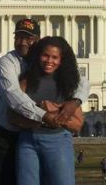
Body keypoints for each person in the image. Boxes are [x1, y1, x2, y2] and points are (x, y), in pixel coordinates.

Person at [0, 19, 89, 185]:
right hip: (6, 135)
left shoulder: (44, 63)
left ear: (38, 40)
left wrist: (75, 101)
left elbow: (81, 81)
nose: (23, 42)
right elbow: (15, 98)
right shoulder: (8, 63)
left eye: (29, 38)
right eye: (19, 37)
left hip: (33, 136)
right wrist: (46, 115)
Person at [16, 36, 82, 185]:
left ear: (61, 60)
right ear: (39, 55)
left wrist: (55, 112)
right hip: (28, 142)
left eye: (54, 57)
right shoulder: (26, 82)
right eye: (45, 55)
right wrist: (40, 116)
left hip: (58, 141)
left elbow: (77, 124)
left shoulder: (68, 85)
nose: (49, 61)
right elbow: (12, 117)